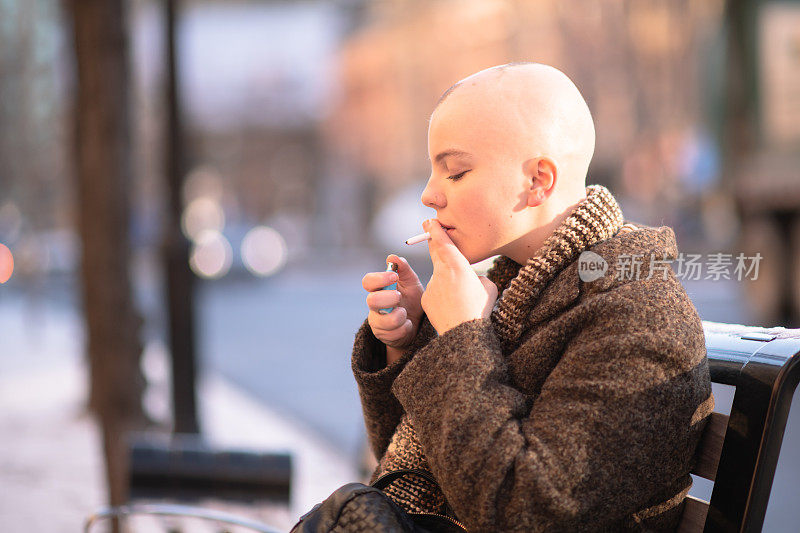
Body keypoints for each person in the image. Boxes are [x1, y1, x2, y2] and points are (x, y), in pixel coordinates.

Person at [352, 62, 713, 532]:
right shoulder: (513, 289)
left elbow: (528, 512)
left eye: (456, 172)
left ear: (538, 181)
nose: (428, 195)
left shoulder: (639, 317)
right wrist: (409, 342)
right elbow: (404, 469)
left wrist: (461, 337)